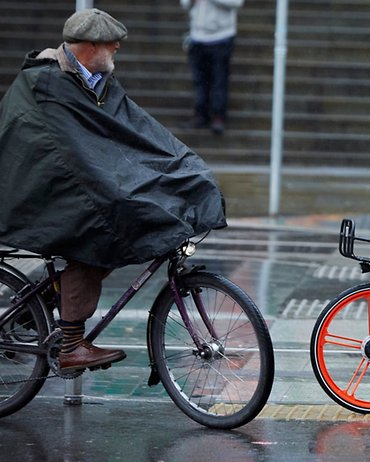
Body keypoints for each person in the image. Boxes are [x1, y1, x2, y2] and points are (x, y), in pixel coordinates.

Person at [0, 8, 227, 373]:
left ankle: (44, 304)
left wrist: (187, 167)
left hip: (73, 183)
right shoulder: (47, 83)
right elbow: (70, 153)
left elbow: (137, 131)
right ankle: (71, 346)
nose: (118, 46)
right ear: (91, 45)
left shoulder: (100, 81)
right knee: (97, 235)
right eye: (111, 42)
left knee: (116, 228)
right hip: (39, 188)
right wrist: (116, 189)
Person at [180, 0, 244, 134]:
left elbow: (237, 3)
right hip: (197, 35)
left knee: (219, 78)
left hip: (222, 35)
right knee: (199, 80)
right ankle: (200, 114)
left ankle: (218, 116)